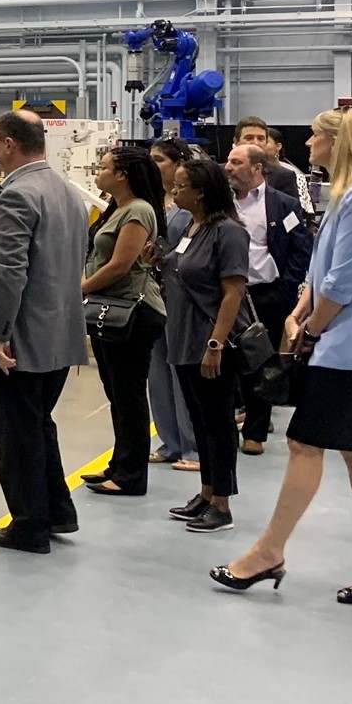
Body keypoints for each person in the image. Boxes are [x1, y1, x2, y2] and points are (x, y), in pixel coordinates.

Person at [214, 108, 352, 604]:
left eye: (315, 139)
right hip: (344, 337)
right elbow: (325, 268)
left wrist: (309, 328)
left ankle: (268, 551)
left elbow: (346, 280)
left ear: (334, 142)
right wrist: (305, 305)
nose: (307, 147)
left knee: (306, 443)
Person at [0, 111, 91, 553]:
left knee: (17, 435)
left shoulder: (16, 196)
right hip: (59, 336)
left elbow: (9, 274)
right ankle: (56, 510)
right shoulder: (68, 194)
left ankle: (29, 526)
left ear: (10, 144)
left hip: (21, 340)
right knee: (39, 426)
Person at [162, 156, 252, 533]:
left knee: (217, 423)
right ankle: (206, 491)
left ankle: (223, 504)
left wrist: (215, 344)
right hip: (184, 336)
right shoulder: (193, 227)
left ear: (200, 193)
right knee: (199, 419)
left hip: (210, 340)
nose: (175, 190)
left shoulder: (229, 232)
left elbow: (233, 292)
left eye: (182, 186)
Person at [77, 146, 167, 496]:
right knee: (117, 393)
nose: (97, 173)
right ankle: (120, 463)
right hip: (109, 310)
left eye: (103, 168)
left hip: (132, 312)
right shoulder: (119, 209)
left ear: (122, 175)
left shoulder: (139, 211)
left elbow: (120, 265)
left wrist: (79, 289)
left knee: (128, 395)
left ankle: (131, 475)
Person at [227, 143, 315, 456]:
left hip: (266, 295)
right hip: (226, 295)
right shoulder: (221, 203)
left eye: (236, 162)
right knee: (224, 363)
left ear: (257, 168)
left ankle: (256, 432)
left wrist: (285, 288)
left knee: (262, 364)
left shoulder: (284, 205)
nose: (228, 167)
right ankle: (224, 430)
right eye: (228, 161)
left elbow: (301, 250)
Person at [147, 138, 200, 471]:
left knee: (182, 373)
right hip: (154, 295)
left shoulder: (190, 205)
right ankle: (170, 440)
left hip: (183, 296)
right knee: (158, 371)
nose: (153, 166)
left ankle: (193, 446)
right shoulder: (152, 202)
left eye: (159, 160)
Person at [239, 117, 312, 215]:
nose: (255, 143)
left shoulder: (285, 175)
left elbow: (292, 215)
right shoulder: (221, 173)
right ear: (236, 141)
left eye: (260, 139)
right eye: (249, 138)